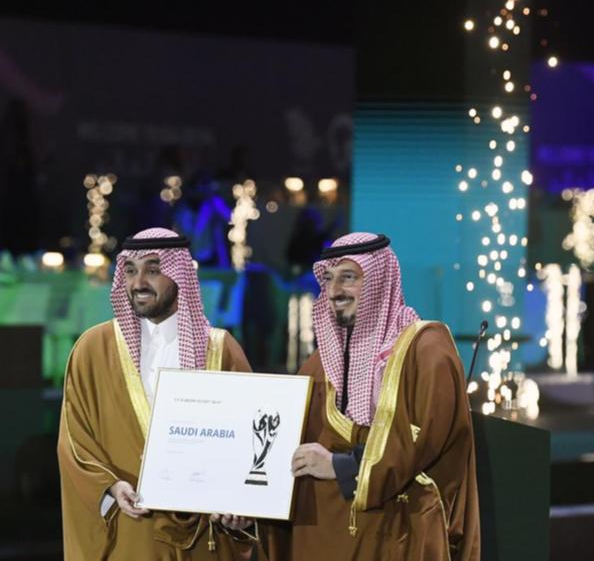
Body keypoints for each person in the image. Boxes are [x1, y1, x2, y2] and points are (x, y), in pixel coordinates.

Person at [263, 232, 480, 560]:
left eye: (348, 277)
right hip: (322, 540)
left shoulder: (428, 351)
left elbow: (422, 443)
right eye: (328, 279)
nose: (335, 291)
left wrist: (341, 465)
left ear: (380, 281)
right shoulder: (317, 367)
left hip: (398, 536)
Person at [58, 228, 256, 560]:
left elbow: (251, 438)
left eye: (153, 270)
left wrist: (239, 502)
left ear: (180, 275)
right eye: (131, 271)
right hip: (129, 530)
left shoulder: (220, 350)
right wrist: (111, 487)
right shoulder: (92, 349)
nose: (138, 283)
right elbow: (74, 438)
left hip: (202, 533)